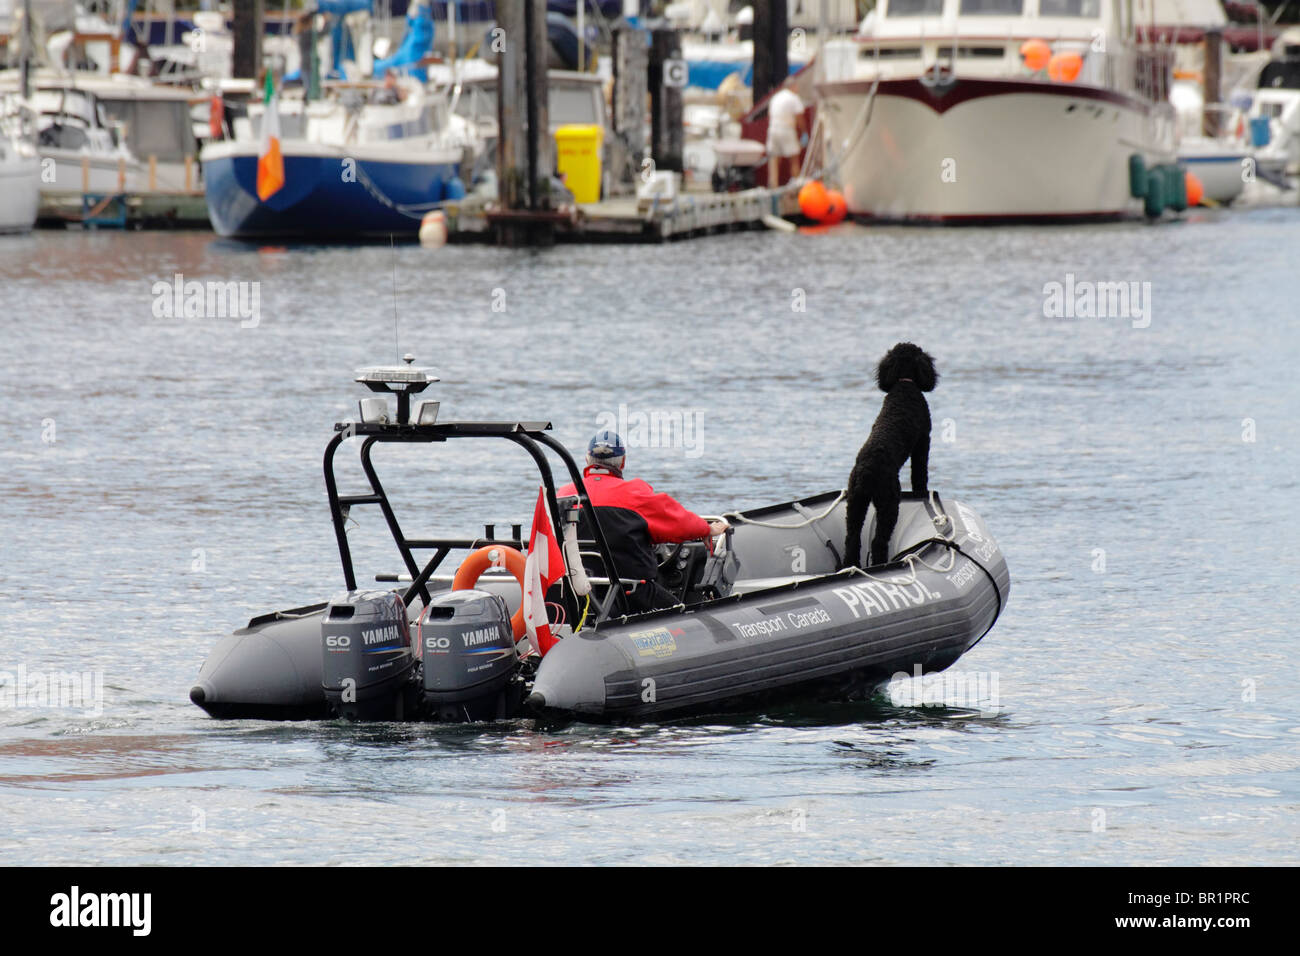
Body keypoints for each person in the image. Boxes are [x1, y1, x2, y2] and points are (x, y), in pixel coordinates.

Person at [558, 431, 729, 612]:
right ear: (622, 462)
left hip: (578, 592)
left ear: (587, 460)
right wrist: (706, 529)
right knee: (685, 615)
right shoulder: (634, 492)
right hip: (632, 592)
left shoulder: (564, 494)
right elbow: (678, 522)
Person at [765, 85, 807, 188]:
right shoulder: (793, 98)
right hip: (786, 129)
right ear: (793, 87)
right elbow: (799, 117)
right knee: (794, 158)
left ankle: (773, 187)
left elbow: (769, 115)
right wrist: (804, 132)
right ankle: (796, 186)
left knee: (774, 159)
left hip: (773, 129)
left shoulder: (776, 97)